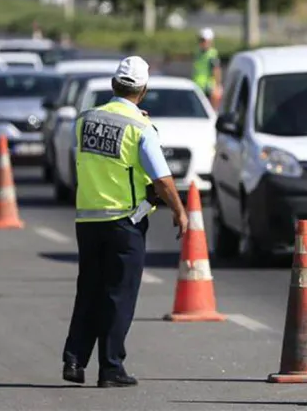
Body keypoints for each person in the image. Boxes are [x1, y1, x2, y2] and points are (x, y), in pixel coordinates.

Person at [62, 55, 189, 388]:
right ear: (143, 90)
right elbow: (161, 180)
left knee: (88, 290)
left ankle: (74, 360)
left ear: (113, 85)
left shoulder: (85, 120)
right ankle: (110, 367)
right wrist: (180, 210)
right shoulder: (141, 128)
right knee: (119, 295)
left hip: (87, 219)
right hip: (123, 221)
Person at [191, 27, 222, 108]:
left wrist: (217, 87)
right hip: (197, 85)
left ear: (209, 41)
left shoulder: (212, 54)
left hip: (207, 88)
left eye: (203, 40)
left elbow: (216, 70)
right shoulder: (198, 52)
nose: (202, 42)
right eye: (200, 40)